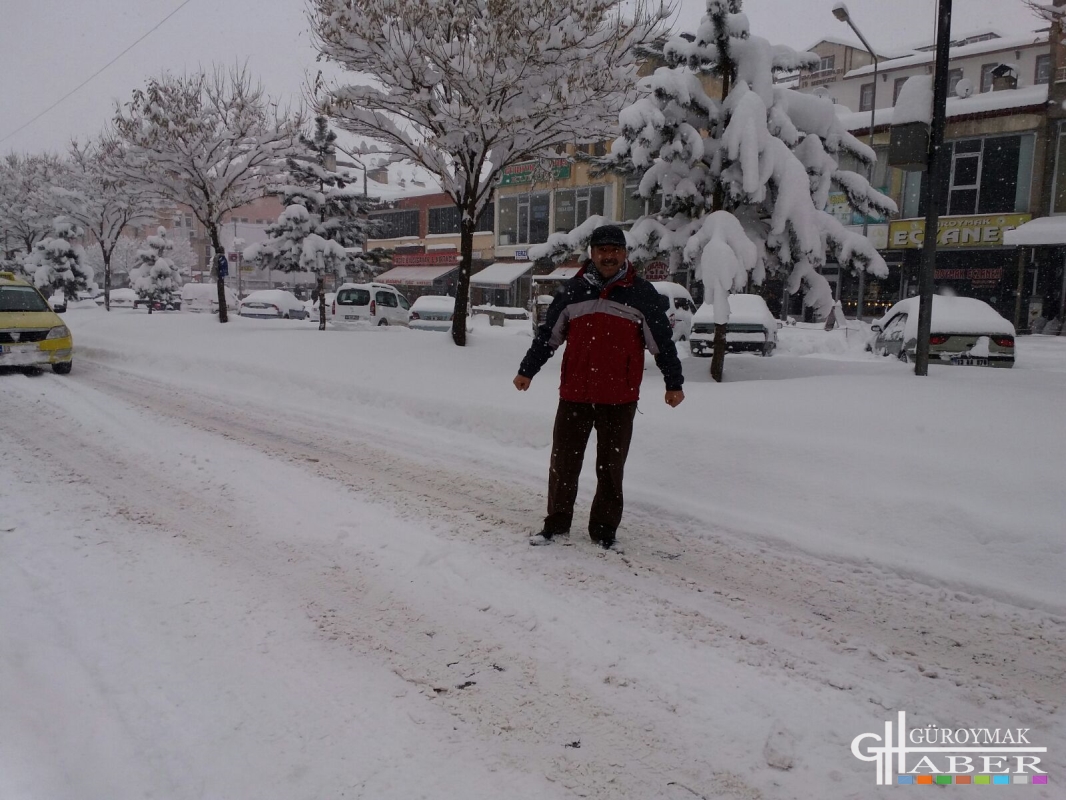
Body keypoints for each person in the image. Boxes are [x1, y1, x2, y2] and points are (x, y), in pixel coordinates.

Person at [513, 224, 685, 551]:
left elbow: (661, 342)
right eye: (602, 250)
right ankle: (556, 524)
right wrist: (527, 370)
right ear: (591, 254)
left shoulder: (642, 294)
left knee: (610, 468)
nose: (609, 256)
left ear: (625, 253)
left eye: (615, 250)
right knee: (563, 463)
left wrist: (673, 382)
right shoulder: (573, 291)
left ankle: (604, 530)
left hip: (619, 398)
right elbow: (548, 336)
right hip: (575, 394)